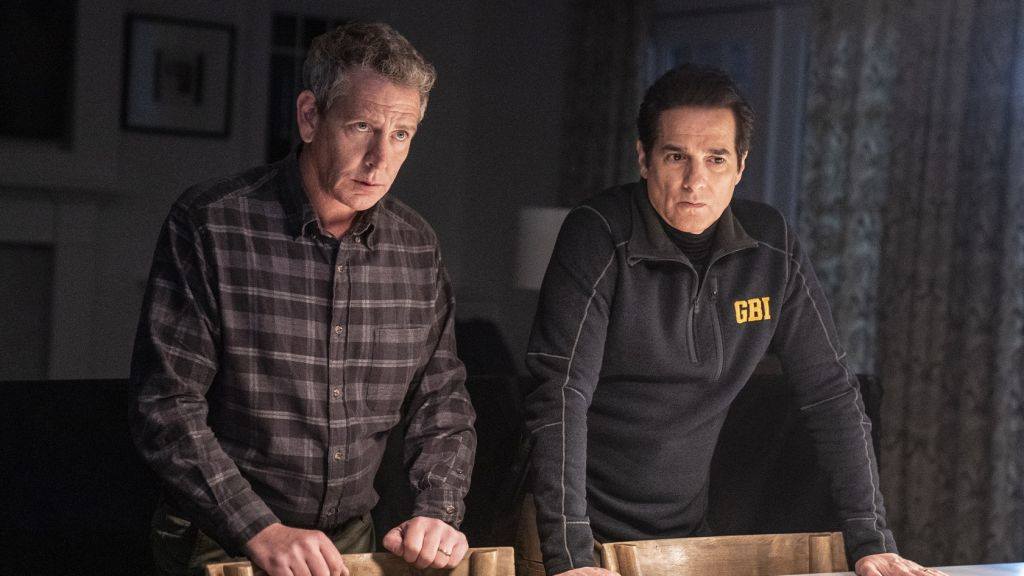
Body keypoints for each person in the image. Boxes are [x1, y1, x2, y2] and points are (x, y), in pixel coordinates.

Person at [522, 64, 939, 576]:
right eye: (676, 156)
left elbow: (831, 395)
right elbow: (561, 394)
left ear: (740, 166)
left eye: (715, 159)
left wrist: (871, 541)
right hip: (572, 530)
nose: (695, 181)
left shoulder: (770, 247)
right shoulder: (598, 234)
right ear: (644, 159)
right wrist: (570, 557)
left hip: (685, 531)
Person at [129, 22, 475, 576]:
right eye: (362, 127)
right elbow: (165, 405)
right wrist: (259, 530)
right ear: (310, 116)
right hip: (222, 537)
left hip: (351, 543)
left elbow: (443, 404)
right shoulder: (212, 224)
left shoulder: (416, 247)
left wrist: (438, 510)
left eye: (401, 134)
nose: (380, 158)